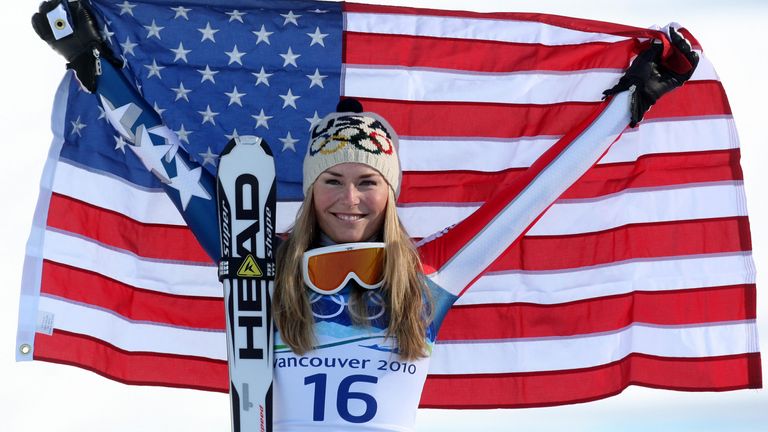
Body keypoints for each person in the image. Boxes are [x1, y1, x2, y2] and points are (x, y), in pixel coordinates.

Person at [31, 0, 698, 430]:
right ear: (312, 186)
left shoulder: (427, 281)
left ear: (391, 193)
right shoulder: (258, 260)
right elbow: (170, 168)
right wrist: (91, 65)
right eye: (334, 182)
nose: (350, 199)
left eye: (368, 184)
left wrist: (633, 100)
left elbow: (532, 196)